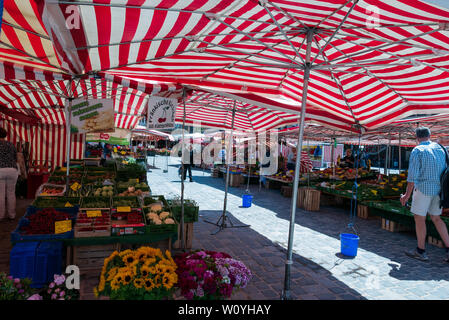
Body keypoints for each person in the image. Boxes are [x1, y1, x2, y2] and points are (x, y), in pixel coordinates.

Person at [400, 127, 449, 262]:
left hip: (423, 189)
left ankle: (420, 251)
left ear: (417, 137)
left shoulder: (418, 150)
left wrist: (406, 195)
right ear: (430, 135)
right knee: (437, 218)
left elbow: (412, 177)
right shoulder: (440, 148)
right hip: (439, 190)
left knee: (419, 219)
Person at [0, 128, 19, 221]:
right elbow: (16, 158)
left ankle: (1, 215)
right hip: (12, 170)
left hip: (0, 171)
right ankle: (12, 215)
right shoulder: (11, 144)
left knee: (1, 194)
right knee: (11, 193)